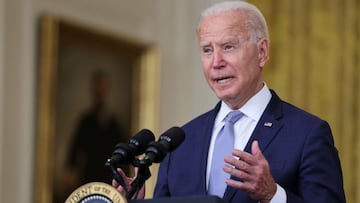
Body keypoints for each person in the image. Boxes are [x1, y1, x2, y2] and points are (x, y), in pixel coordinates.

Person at [113, 1, 346, 203]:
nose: (216, 62)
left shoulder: (308, 134)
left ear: (262, 52)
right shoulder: (179, 143)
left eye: (228, 47)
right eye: (207, 50)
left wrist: (272, 195)